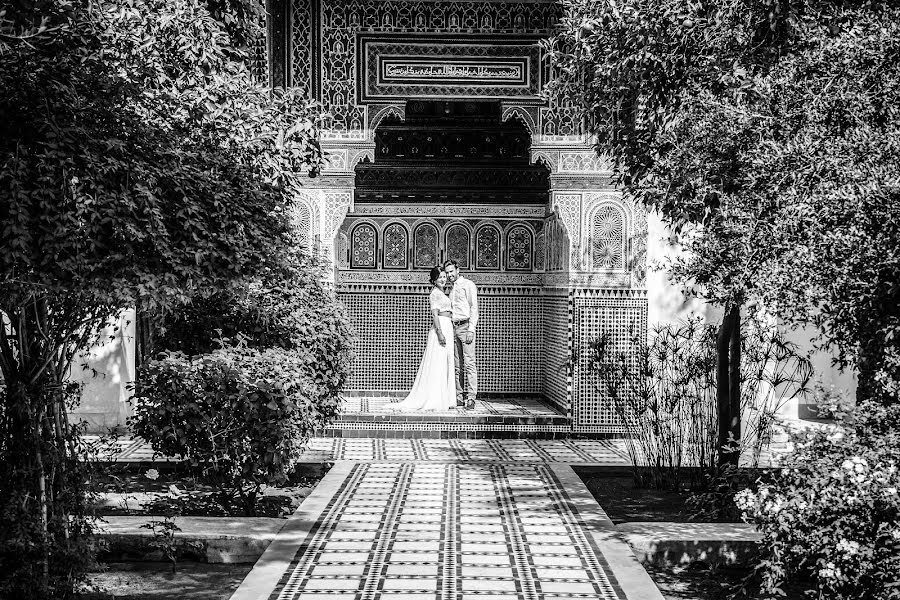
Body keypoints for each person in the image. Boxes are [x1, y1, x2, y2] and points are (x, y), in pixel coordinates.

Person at [388, 266, 455, 412]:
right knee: (438, 362)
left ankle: (445, 397)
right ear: (434, 280)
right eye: (440, 277)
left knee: (445, 362)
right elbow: (435, 315)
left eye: (444, 276)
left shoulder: (443, 292)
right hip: (441, 328)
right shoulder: (435, 294)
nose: (443, 279)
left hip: (447, 327)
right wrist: (440, 333)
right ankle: (435, 398)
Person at [444, 259, 478, 410]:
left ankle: (471, 398)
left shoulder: (468, 285)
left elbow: (474, 308)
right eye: (447, 272)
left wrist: (471, 328)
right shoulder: (451, 289)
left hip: (465, 327)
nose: (449, 275)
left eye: (451, 271)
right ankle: (459, 396)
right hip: (454, 327)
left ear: (458, 270)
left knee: (469, 363)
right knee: (458, 365)